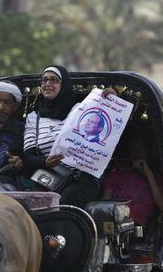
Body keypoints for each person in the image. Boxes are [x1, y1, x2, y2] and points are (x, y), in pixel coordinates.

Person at [23, 65, 114, 207]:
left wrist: (111, 98)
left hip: (81, 179)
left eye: (54, 80)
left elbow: (103, 126)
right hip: (48, 179)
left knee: (65, 202)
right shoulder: (33, 117)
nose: (47, 84)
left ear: (63, 84)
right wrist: (45, 162)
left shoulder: (80, 109)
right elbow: (28, 157)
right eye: (44, 80)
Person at [102, 138, 163, 227]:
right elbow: (104, 204)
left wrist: (149, 175)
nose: (138, 152)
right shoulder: (117, 174)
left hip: (137, 228)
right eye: (135, 148)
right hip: (113, 221)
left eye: (142, 149)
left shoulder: (157, 178)